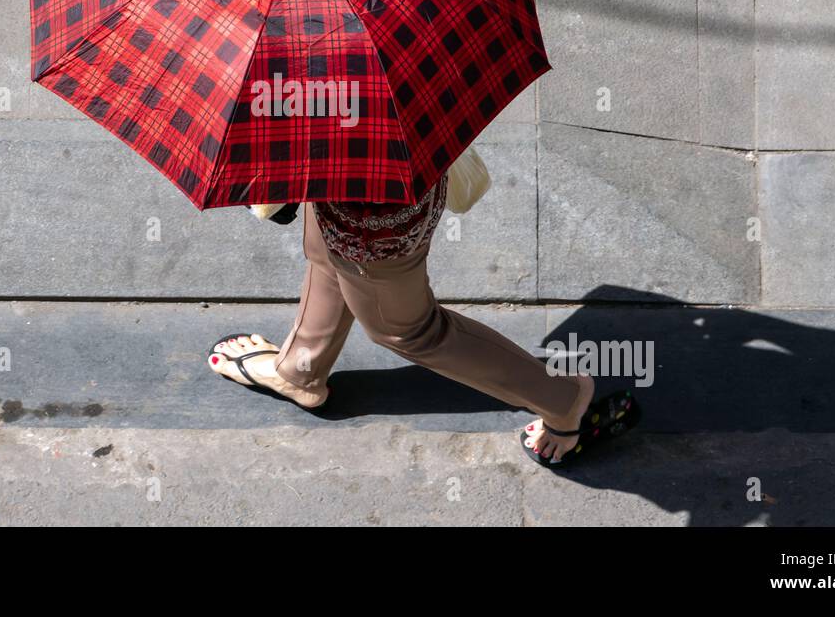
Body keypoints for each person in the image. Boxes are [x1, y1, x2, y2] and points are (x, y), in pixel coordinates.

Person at [207, 172, 639, 466]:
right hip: (391, 174)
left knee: (411, 330)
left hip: (373, 220)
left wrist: (266, 192)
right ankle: (302, 368)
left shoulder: (293, 61)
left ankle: (563, 400)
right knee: (326, 253)